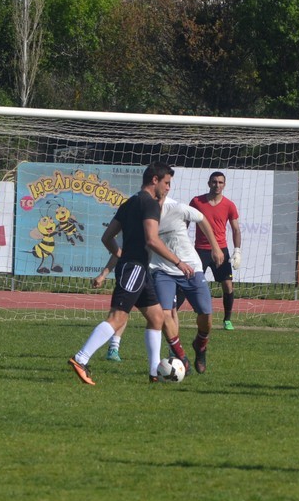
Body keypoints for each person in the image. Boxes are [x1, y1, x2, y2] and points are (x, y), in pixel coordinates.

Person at [68, 162, 190, 384]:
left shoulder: (130, 202)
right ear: (154, 180)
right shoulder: (149, 204)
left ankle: (154, 372)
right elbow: (152, 240)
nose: (168, 188)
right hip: (135, 268)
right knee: (118, 318)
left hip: (136, 268)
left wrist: (121, 255)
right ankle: (81, 358)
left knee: (157, 317)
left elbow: (107, 237)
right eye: (166, 183)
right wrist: (178, 262)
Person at [151, 194, 223, 374]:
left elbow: (202, 218)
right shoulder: (142, 212)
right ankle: (181, 356)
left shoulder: (177, 208)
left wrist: (215, 247)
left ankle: (200, 345)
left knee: (206, 315)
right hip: (162, 269)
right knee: (165, 314)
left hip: (191, 267)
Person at [190, 171, 242, 330]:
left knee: (227, 285)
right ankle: (172, 315)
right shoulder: (196, 202)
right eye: (214, 182)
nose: (217, 185)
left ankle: (227, 320)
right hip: (200, 250)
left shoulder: (229, 205)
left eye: (220, 182)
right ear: (209, 183)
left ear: (224, 185)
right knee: (189, 282)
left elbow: (236, 229)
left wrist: (237, 251)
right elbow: (184, 223)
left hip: (221, 251)